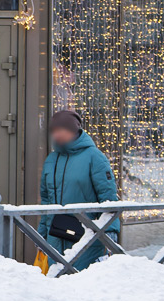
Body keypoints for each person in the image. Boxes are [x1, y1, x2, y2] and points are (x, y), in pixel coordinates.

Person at [39, 110, 119, 271]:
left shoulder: (94, 157)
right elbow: (46, 200)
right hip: (55, 240)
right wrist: (41, 235)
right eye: (54, 131)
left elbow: (109, 200)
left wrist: (110, 233)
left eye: (61, 130)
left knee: (83, 287)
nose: (56, 135)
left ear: (73, 130)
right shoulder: (51, 160)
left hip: (87, 239)